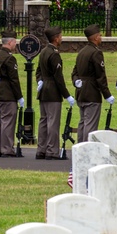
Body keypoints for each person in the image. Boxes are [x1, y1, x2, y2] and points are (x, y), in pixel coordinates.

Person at [35, 25, 75, 159]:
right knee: (52, 122)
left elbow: (38, 71)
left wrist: (40, 81)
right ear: (56, 38)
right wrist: (67, 95)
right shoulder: (54, 54)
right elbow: (59, 78)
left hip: (43, 90)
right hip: (52, 91)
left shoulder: (44, 52)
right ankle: (51, 151)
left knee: (43, 121)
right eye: (61, 36)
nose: (61, 38)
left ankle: (41, 149)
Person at [71, 23, 114, 142]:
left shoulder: (82, 52)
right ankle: (86, 151)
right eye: (100, 35)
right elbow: (100, 76)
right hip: (91, 92)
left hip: (81, 92)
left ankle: (79, 149)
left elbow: (74, 72)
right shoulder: (96, 52)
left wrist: (76, 82)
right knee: (90, 125)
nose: (101, 37)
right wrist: (107, 94)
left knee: (83, 123)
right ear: (95, 38)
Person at [0, 31, 23, 157]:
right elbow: (14, 79)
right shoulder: (10, 58)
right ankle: (7, 149)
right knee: (7, 122)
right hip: (7, 94)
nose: (15, 44)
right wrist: (19, 96)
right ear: (10, 42)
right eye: (15, 42)